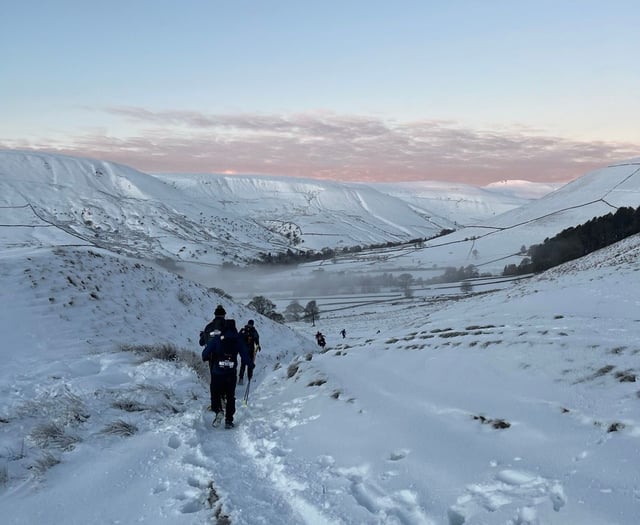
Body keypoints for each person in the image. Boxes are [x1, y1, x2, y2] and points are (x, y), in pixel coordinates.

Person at [202, 319, 254, 429]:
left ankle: (219, 410)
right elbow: (245, 356)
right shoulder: (238, 340)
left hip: (217, 373)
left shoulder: (217, 339)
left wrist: (207, 357)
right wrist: (251, 366)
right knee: (231, 396)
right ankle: (229, 420)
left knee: (215, 394)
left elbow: (205, 353)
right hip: (231, 374)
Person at [238, 319, 261, 385]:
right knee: (250, 363)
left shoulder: (243, 330)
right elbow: (257, 339)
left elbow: (239, 338)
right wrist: (258, 346)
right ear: (253, 324)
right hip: (251, 350)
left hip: (244, 350)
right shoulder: (254, 331)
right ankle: (249, 377)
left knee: (243, 364)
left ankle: (241, 378)